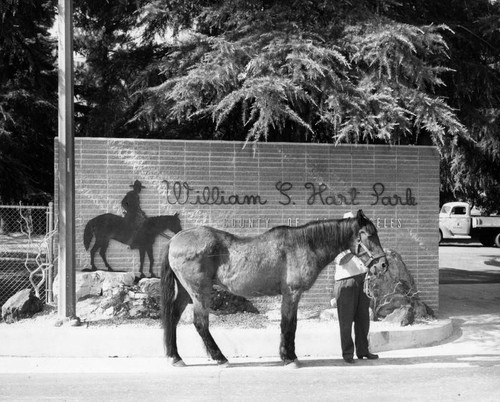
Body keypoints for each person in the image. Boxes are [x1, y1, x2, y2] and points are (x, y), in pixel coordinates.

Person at [333, 214, 379, 364]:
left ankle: (363, 350)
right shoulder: (339, 241)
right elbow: (341, 260)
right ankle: (347, 354)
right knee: (346, 322)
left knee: (363, 320)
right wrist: (354, 248)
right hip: (345, 282)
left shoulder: (361, 241)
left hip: (362, 280)